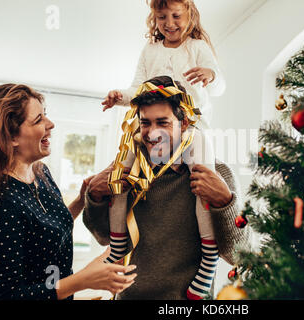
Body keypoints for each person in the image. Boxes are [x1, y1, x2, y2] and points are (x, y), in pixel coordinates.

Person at [100, 0, 226, 300]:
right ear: (153, 19)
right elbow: (136, 89)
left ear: (190, 15)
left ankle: (208, 259)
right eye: (161, 17)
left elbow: (219, 84)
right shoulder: (151, 51)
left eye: (176, 16)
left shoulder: (196, 47)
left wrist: (210, 75)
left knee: (201, 188)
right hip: (154, 134)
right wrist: (120, 97)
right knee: (120, 176)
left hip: (191, 128)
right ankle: (118, 242)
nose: (169, 23)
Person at [83, 76, 250, 300]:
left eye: (163, 123)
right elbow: (103, 237)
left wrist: (226, 202)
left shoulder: (216, 174)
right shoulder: (126, 170)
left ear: (183, 124)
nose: (153, 133)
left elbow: (240, 255)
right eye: (145, 123)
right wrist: (94, 196)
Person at [0, 84, 137, 300]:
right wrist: (84, 279)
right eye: (38, 120)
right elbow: (5, 296)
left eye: (46, 115)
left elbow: (43, 232)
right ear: (10, 137)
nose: (50, 124)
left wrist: (81, 200)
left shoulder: (40, 173)